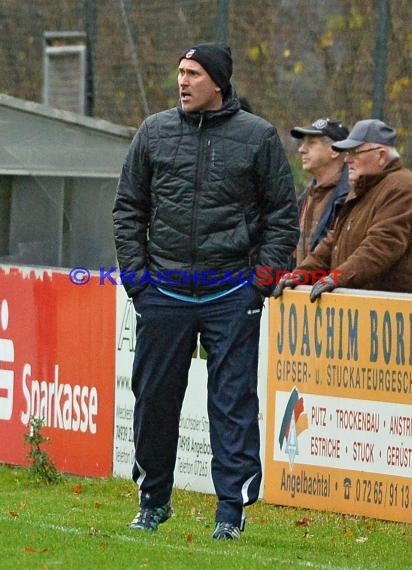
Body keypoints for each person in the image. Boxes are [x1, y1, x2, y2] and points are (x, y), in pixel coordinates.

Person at [113, 43, 299, 539]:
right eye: (180, 72)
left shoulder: (258, 137)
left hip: (231, 294)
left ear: (218, 81)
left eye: (193, 73)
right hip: (164, 293)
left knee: (233, 404)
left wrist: (260, 280)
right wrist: (137, 280)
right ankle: (153, 501)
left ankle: (230, 514)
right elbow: (128, 208)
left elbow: (284, 214)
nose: (183, 81)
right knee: (154, 400)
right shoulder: (153, 131)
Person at [274, 119, 412, 302]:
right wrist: (302, 274)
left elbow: (383, 243)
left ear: (380, 155)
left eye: (355, 152)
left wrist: (339, 277)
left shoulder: (401, 186)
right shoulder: (363, 188)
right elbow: (333, 239)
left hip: (387, 312)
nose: (347, 159)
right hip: (357, 307)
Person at [289, 117, 350, 267]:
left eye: (311, 143)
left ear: (335, 150)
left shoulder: (351, 197)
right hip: (301, 287)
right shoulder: (305, 197)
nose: (301, 149)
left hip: (332, 288)